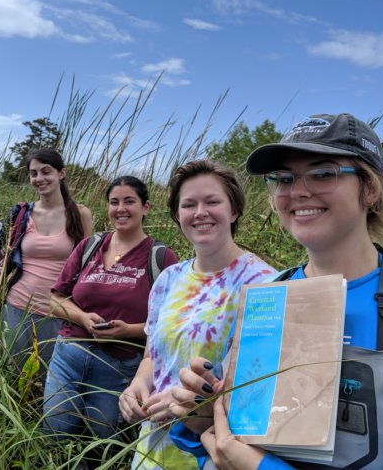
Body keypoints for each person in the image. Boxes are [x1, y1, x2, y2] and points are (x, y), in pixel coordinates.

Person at [169, 114, 383, 469]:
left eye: (323, 173)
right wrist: (204, 417)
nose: (298, 191)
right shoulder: (267, 296)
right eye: (284, 178)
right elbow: (236, 439)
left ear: (371, 188)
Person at [118, 160, 275, 470]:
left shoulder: (264, 284)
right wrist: (138, 383)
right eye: (189, 204)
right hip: (152, 449)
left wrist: (191, 403)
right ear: (178, 216)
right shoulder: (170, 278)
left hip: (214, 454)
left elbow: (263, 389)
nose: (200, 212)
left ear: (234, 211)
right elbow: (153, 354)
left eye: (212, 201)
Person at [43, 176, 179, 442]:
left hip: (119, 365)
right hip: (69, 355)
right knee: (55, 433)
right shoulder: (89, 246)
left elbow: (170, 324)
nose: (121, 209)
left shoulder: (161, 257)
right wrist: (82, 317)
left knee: (104, 441)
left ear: (146, 207)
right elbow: (55, 299)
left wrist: (128, 330)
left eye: (130, 201)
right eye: (114, 202)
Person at [0, 148, 93, 376]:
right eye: (34, 174)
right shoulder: (22, 213)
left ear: (61, 173)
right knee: (12, 377)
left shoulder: (80, 214)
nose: (39, 179)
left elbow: (88, 266)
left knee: (51, 381)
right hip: (16, 307)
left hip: (60, 313)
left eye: (46, 171)